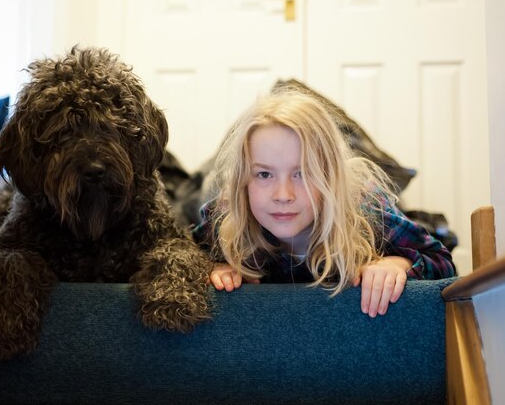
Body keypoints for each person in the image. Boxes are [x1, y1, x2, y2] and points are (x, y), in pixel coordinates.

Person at [193, 90, 456, 318]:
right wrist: (214, 267)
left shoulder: (366, 210)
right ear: (243, 182)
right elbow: (178, 257)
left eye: (303, 174)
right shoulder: (224, 218)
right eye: (264, 174)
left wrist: (398, 264)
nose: (283, 194)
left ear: (330, 178)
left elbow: (444, 264)